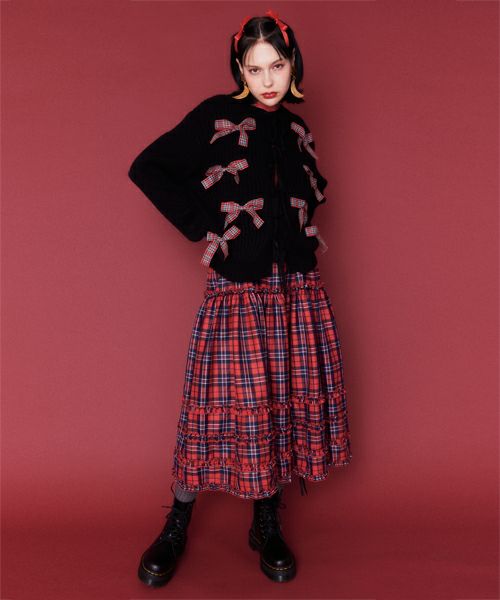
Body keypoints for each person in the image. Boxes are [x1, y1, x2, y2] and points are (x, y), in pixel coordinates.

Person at [128, 9, 352, 588]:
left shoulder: (298, 130)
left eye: (277, 66)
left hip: (296, 294)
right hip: (239, 293)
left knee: (276, 405)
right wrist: (211, 233)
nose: (268, 80)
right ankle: (177, 522)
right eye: (255, 69)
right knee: (212, 407)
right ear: (239, 71)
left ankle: (265, 521)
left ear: (293, 63)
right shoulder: (215, 116)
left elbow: (309, 198)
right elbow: (148, 168)